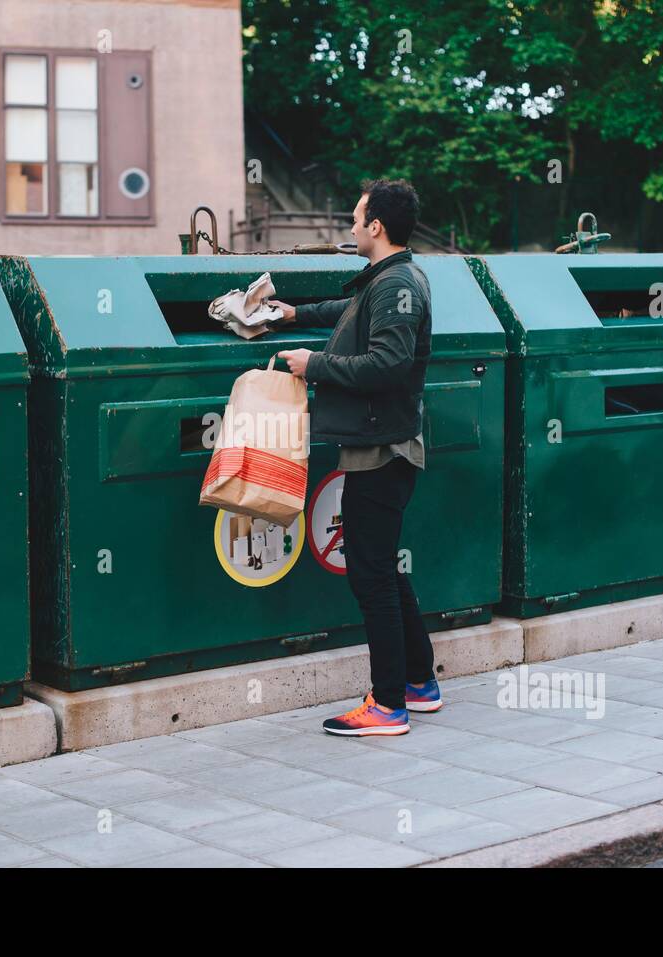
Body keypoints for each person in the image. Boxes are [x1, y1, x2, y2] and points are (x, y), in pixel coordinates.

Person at [271, 178, 441, 737]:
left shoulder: (397, 286)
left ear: (376, 227)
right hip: (382, 443)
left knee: (369, 574)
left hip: (382, 450)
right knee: (383, 566)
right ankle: (419, 683)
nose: (349, 225)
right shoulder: (389, 280)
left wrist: (311, 365)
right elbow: (349, 312)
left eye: (356, 217)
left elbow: (387, 362)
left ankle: (387, 704)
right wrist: (291, 315)